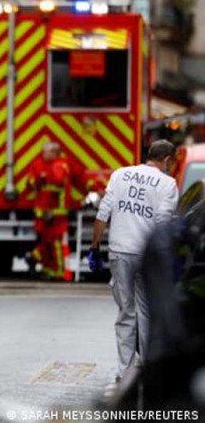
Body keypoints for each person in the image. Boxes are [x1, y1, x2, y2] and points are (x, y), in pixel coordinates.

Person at [89, 139, 178, 383]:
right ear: (167, 160)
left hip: (119, 252)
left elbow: (102, 214)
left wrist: (94, 247)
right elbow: (163, 225)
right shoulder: (167, 184)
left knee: (125, 313)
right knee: (147, 312)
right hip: (146, 255)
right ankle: (148, 368)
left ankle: (124, 371)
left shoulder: (120, 175)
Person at [26, 142, 71, 280]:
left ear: (54, 153)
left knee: (54, 243)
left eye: (46, 152)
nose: (43, 154)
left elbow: (57, 184)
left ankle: (56, 271)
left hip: (56, 213)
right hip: (43, 213)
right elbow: (31, 183)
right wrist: (37, 180)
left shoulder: (60, 166)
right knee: (46, 242)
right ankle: (44, 266)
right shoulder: (40, 165)